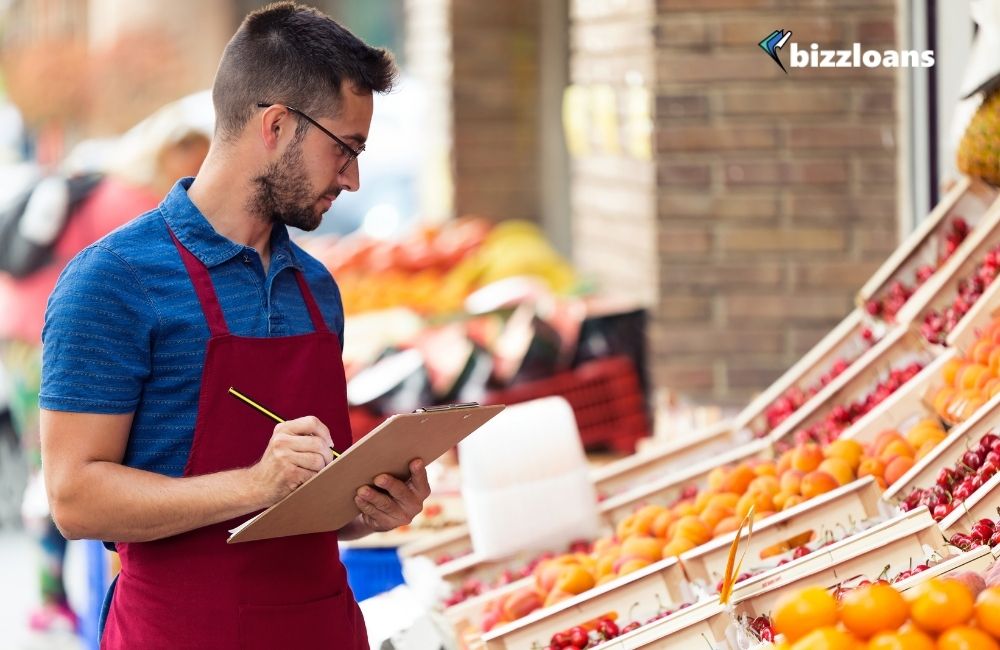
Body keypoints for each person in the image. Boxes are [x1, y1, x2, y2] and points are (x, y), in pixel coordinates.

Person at [38, 4, 430, 649]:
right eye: (345, 149)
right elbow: (74, 498)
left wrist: (369, 507)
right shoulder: (114, 281)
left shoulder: (317, 288)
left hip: (322, 625)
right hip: (182, 631)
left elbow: (307, 500)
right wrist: (254, 484)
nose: (354, 179)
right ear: (277, 124)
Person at [0, 93, 212, 635]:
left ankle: (53, 593)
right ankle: (50, 594)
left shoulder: (104, 185)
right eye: (195, 158)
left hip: (23, 331)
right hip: (46, 339)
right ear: (171, 157)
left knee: (46, 467)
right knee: (56, 473)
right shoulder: (131, 202)